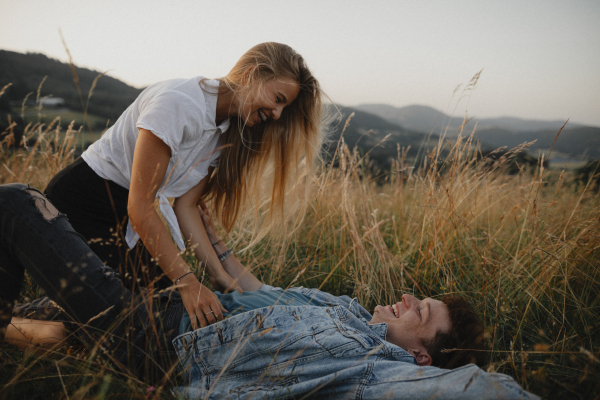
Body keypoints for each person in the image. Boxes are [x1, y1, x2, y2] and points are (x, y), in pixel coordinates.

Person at [0, 184, 540, 399]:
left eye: (417, 311)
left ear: (421, 355)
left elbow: (483, 391)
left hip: (160, 342)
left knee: (19, 204)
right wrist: (208, 232)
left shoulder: (374, 366)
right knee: (20, 317)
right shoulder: (342, 308)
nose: (404, 298)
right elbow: (245, 285)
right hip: (153, 306)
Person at [43, 42, 324, 331]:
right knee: (137, 322)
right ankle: (26, 323)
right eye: (278, 99)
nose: (277, 114)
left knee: (170, 311)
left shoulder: (223, 128)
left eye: (283, 107)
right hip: (81, 205)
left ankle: (57, 310)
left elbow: (185, 207)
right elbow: (140, 206)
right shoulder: (177, 104)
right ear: (251, 74)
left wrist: (219, 277)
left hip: (126, 220)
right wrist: (187, 281)